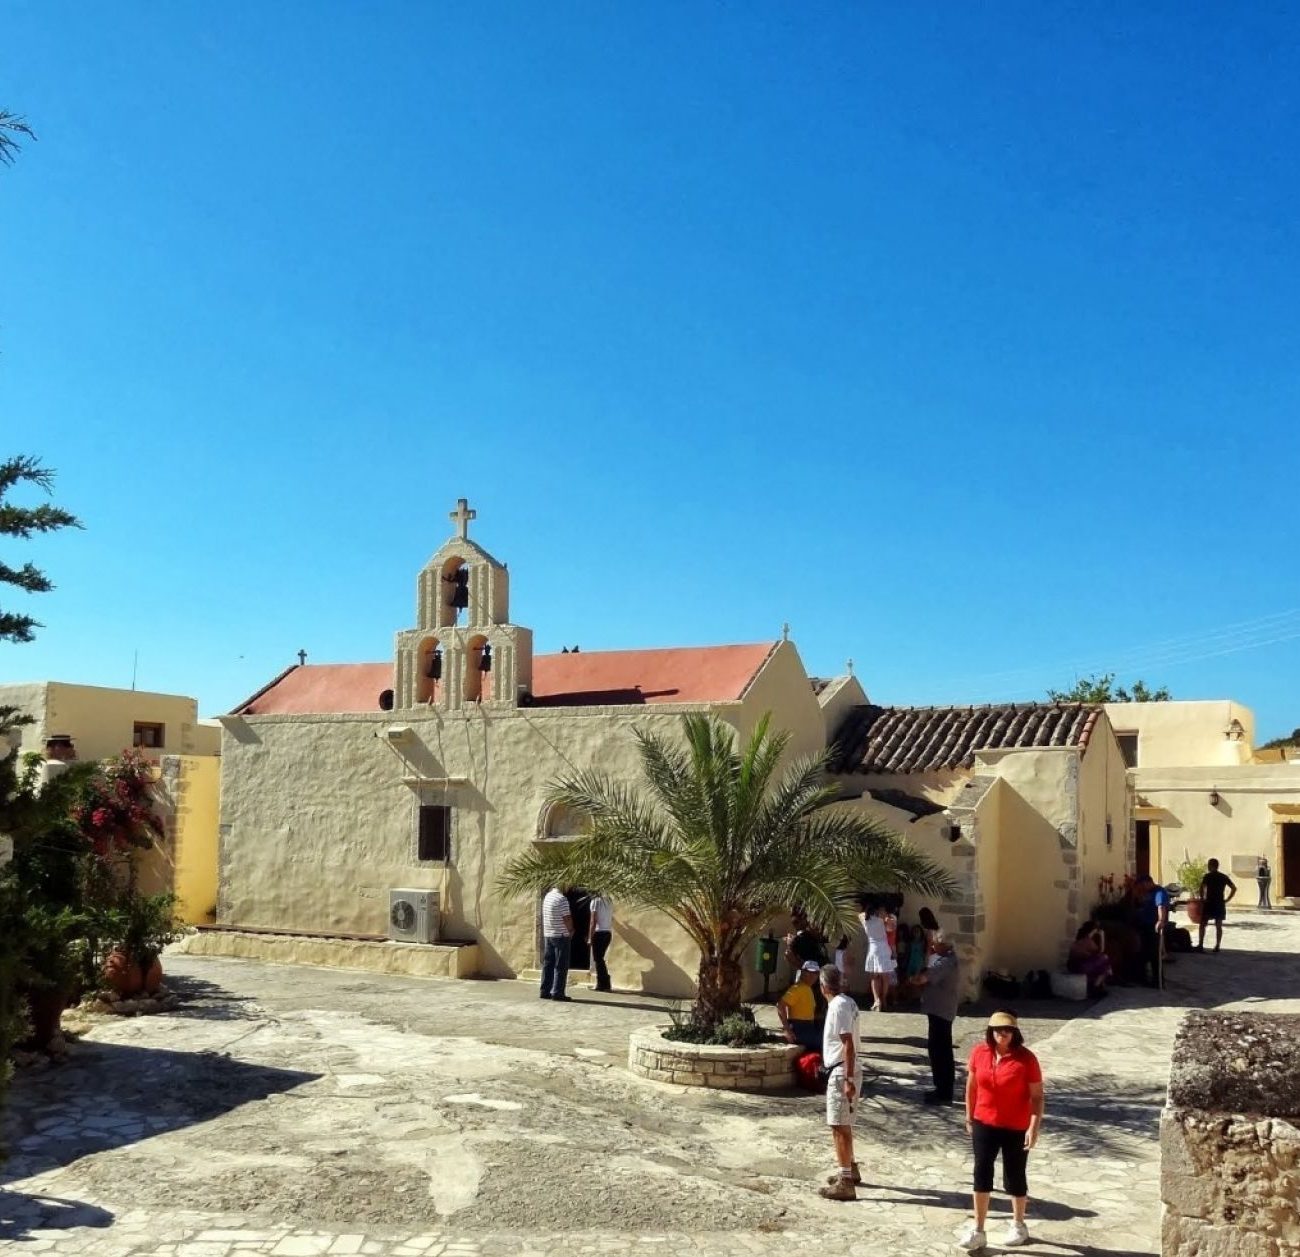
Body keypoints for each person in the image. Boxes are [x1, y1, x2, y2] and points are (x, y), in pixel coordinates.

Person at [957, 1011, 1044, 1251]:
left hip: (1016, 1126)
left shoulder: (1026, 1059)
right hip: (984, 1121)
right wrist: (969, 1115)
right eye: (996, 1029)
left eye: (1006, 1030)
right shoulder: (979, 1053)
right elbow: (971, 1087)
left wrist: (1033, 1126)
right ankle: (979, 1229)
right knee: (981, 1171)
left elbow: (1037, 1097)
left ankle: (1018, 1224)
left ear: (1015, 1032)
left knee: (1015, 1175)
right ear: (990, 1031)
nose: (1001, 1034)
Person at [817, 964, 862, 1201]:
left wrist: (848, 1078)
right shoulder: (848, 1003)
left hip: (841, 1069)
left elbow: (848, 1043)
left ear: (824, 986)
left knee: (838, 1125)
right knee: (844, 1123)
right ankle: (850, 1168)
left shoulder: (838, 1006)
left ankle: (845, 1180)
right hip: (843, 1068)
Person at [913, 931, 960, 1105]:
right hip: (938, 1010)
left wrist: (913, 979)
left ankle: (943, 1091)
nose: (932, 946)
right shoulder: (945, 959)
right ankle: (941, 1088)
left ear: (945, 945)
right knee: (940, 1049)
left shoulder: (946, 963)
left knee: (940, 1051)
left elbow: (924, 978)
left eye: (935, 943)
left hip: (941, 1011)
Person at [858, 899, 896, 1012]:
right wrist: (886, 918)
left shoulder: (864, 919)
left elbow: (861, 914)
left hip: (873, 948)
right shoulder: (882, 920)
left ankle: (876, 1000)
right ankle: (883, 998)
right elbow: (891, 928)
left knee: (874, 976)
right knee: (885, 976)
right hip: (884, 948)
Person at [777, 960, 823, 1051]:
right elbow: (780, 1005)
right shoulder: (797, 988)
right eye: (808, 972)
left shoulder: (807, 988)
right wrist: (787, 1030)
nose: (812, 976)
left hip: (809, 1027)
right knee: (825, 1044)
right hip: (799, 1028)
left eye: (815, 973)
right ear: (802, 972)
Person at [539, 885, 574, 1001]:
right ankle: (558, 992)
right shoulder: (562, 899)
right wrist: (571, 930)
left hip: (548, 934)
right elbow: (567, 918)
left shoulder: (547, 896)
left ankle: (545, 990)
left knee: (548, 964)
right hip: (561, 935)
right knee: (561, 965)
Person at [1135, 875, 1170, 988]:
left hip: (1153, 927)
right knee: (1143, 953)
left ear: (1147, 882)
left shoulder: (1159, 892)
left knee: (1154, 955)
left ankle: (1158, 981)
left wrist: (1160, 920)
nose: (1142, 889)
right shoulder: (1148, 893)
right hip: (1144, 926)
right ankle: (1142, 978)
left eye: (1142, 886)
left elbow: (1161, 907)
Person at [1196, 858, 1237, 953]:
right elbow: (1234, 888)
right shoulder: (1223, 877)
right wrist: (1227, 899)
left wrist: (1202, 898)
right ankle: (1217, 945)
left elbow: (1202, 887)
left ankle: (1201, 944)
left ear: (1210, 866)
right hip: (1219, 903)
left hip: (1209, 902)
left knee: (1203, 924)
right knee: (1218, 925)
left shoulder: (1207, 876)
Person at [1067, 920, 1113, 996]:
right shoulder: (1088, 941)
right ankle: (1095, 987)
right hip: (1079, 966)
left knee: (1103, 963)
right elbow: (1101, 951)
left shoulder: (1079, 939)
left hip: (1072, 965)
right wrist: (1102, 936)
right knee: (1105, 963)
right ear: (1093, 930)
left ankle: (1097, 986)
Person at [587, 890, 614, 991]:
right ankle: (603, 983)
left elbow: (593, 921)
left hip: (599, 933)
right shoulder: (609, 901)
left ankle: (603, 984)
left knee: (598, 959)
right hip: (608, 933)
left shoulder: (595, 901)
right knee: (600, 959)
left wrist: (590, 937)